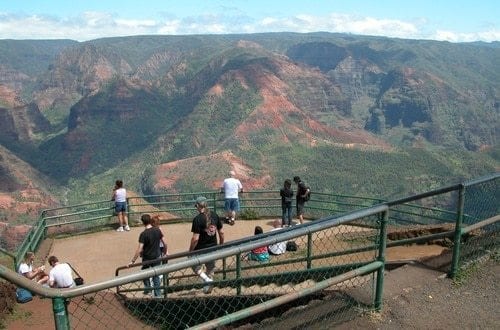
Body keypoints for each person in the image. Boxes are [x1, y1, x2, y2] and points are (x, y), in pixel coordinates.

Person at [189, 196, 224, 294]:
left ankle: (206, 280)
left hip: (200, 250)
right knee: (210, 268)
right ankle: (208, 287)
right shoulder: (215, 215)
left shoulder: (197, 219)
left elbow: (195, 238)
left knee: (193, 265)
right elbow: (221, 233)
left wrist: (190, 251)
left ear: (197, 206)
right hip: (213, 247)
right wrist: (221, 245)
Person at [129, 214, 163, 297]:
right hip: (157, 256)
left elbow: (140, 248)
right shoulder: (157, 230)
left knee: (144, 272)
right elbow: (164, 242)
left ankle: (147, 288)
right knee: (156, 275)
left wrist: (133, 261)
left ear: (143, 222)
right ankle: (158, 294)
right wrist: (165, 252)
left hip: (147, 258)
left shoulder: (143, 234)